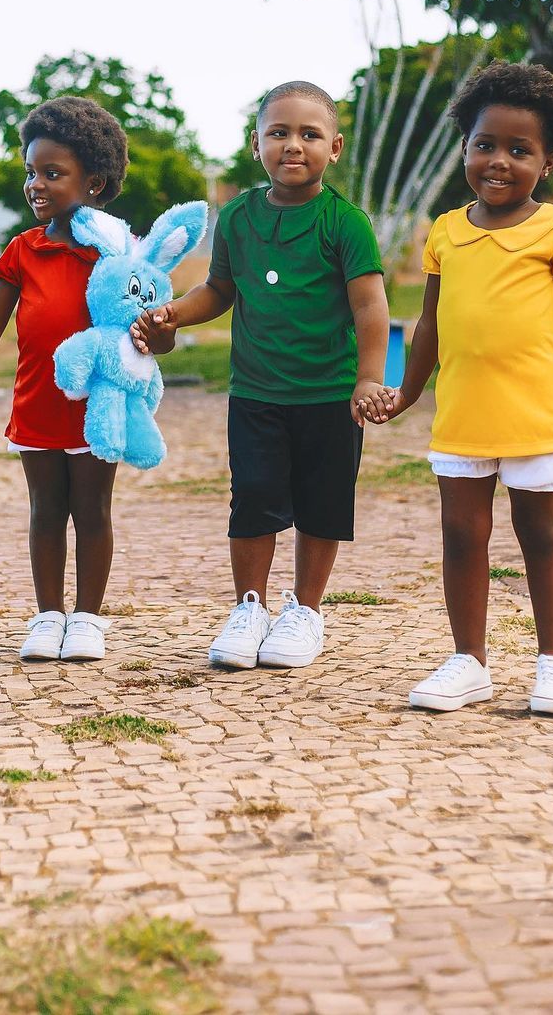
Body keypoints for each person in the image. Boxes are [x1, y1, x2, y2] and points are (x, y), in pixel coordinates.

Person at [132, 80, 393, 670]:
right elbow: (219, 289)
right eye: (278, 132)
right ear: (256, 145)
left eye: (309, 134)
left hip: (329, 395)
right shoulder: (238, 217)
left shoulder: (345, 223)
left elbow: (369, 306)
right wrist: (175, 313)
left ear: (334, 148)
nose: (293, 145)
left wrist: (368, 379)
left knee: (323, 505)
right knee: (252, 498)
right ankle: (248, 608)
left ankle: (305, 612)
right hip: (255, 393)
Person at [381, 61, 553, 716]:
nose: (498, 161)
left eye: (519, 150)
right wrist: (407, 392)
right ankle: (469, 662)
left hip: (534, 415)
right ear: (464, 148)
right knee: (461, 533)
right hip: (463, 415)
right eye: (485, 145)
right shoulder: (445, 232)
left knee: (541, 534)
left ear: (549, 160)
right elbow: (429, 324)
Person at [0, 97, 129, 663]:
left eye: (52, 173)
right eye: (30, 171)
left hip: (96, 407)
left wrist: (157, 337)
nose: (35, 184)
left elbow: (144, 319)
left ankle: (87, 618)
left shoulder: (116, 255)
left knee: (92, 510)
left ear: (94, 183)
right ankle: (48, 615)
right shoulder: (23, 250)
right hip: (37, 403)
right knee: (45, 511)